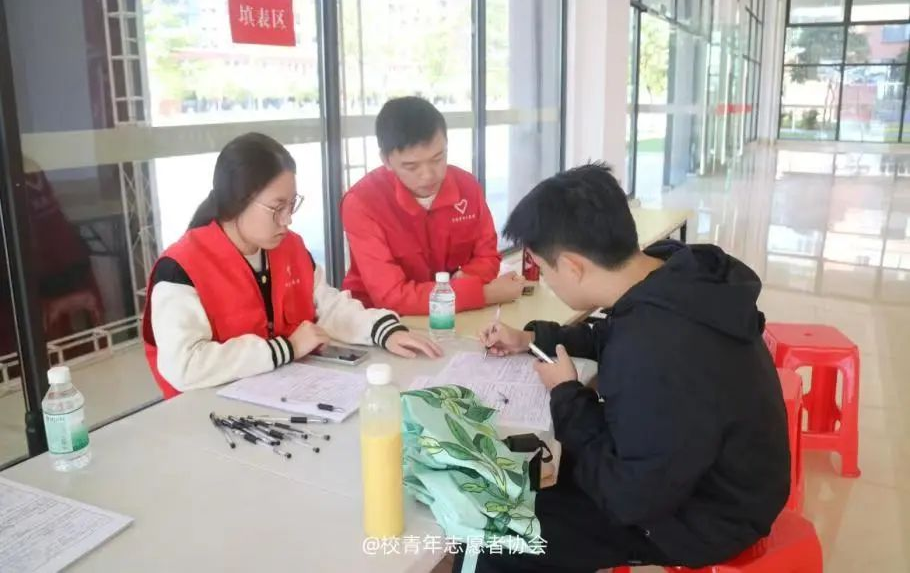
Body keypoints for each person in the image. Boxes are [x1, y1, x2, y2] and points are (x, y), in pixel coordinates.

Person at [471, 164, 790, 571]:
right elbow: (611, 335)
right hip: (717, 478)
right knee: (531, 475)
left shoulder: (653, 349)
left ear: (572, 266)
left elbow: (627, 499)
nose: (547, 282)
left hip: (707, 517)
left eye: (545, 271)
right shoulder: (671, 275)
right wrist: (531, 339)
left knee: (495, 536)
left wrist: (567, 396)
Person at [142, 133, 441, 398]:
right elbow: (184, 366)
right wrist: (287, 348)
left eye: (291, 205)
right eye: (277, 208)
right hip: (207, 412)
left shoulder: (289, 248)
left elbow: (329, 307)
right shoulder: (181, 268)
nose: (287, 220)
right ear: (237, 201)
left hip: (282, 391)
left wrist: (383, 330)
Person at [341, 96, 525, 316]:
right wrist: (482, 294)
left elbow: (487, 256)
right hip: (379, 320)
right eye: (411, 167)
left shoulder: (467, 187)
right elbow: (391, 296)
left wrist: (465, 282)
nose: (428, 175)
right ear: (386, 160)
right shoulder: (362, 203)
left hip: (452, 315)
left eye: (438, 158)